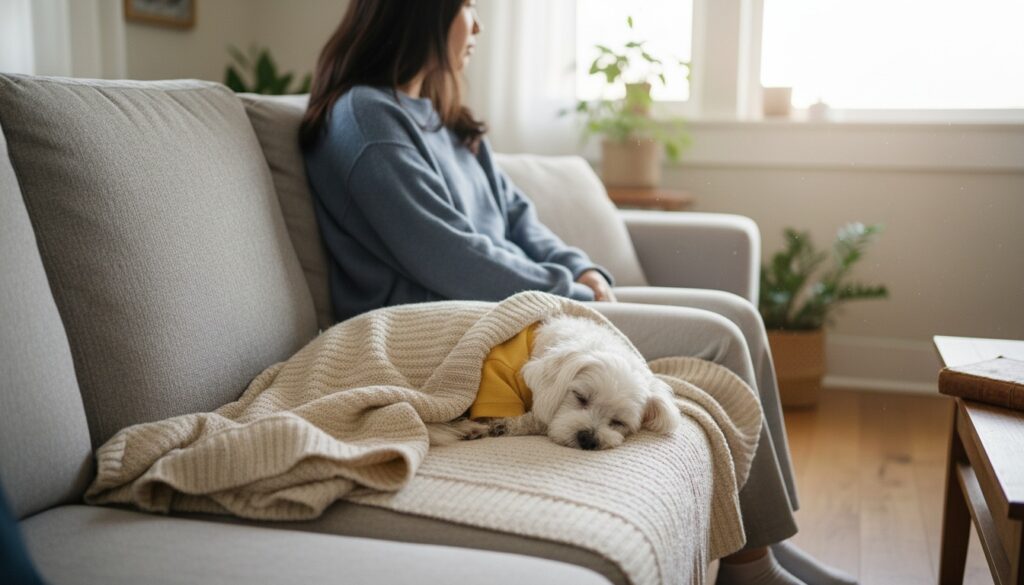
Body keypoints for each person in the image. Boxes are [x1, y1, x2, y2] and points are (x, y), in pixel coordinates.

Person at [300, 2, 856, 584]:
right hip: (454, 323)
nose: (478, 24)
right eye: (466, 5)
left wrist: (582, 270)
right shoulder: (366, 117)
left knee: (738, 314)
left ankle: (772, 541)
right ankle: (753, 568)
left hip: (517, 308)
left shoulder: (447, 121)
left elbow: (520, 219)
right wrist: (565, 290)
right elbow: (447, 254)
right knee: (720, 337)